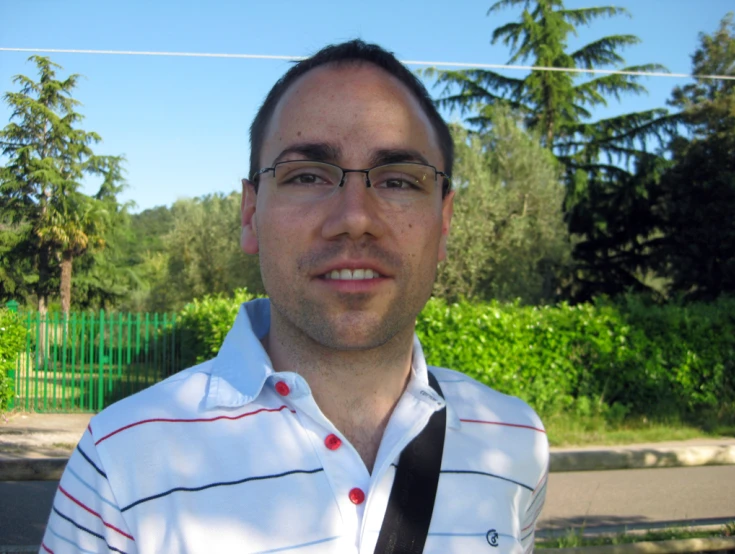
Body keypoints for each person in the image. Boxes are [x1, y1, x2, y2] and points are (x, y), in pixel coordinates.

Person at [41, 40, 548, 554]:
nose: (355, 217)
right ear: (249, 214)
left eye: (398, 180)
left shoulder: (514, 442)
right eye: (306, 176)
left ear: (443, 222)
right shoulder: (120, 465)